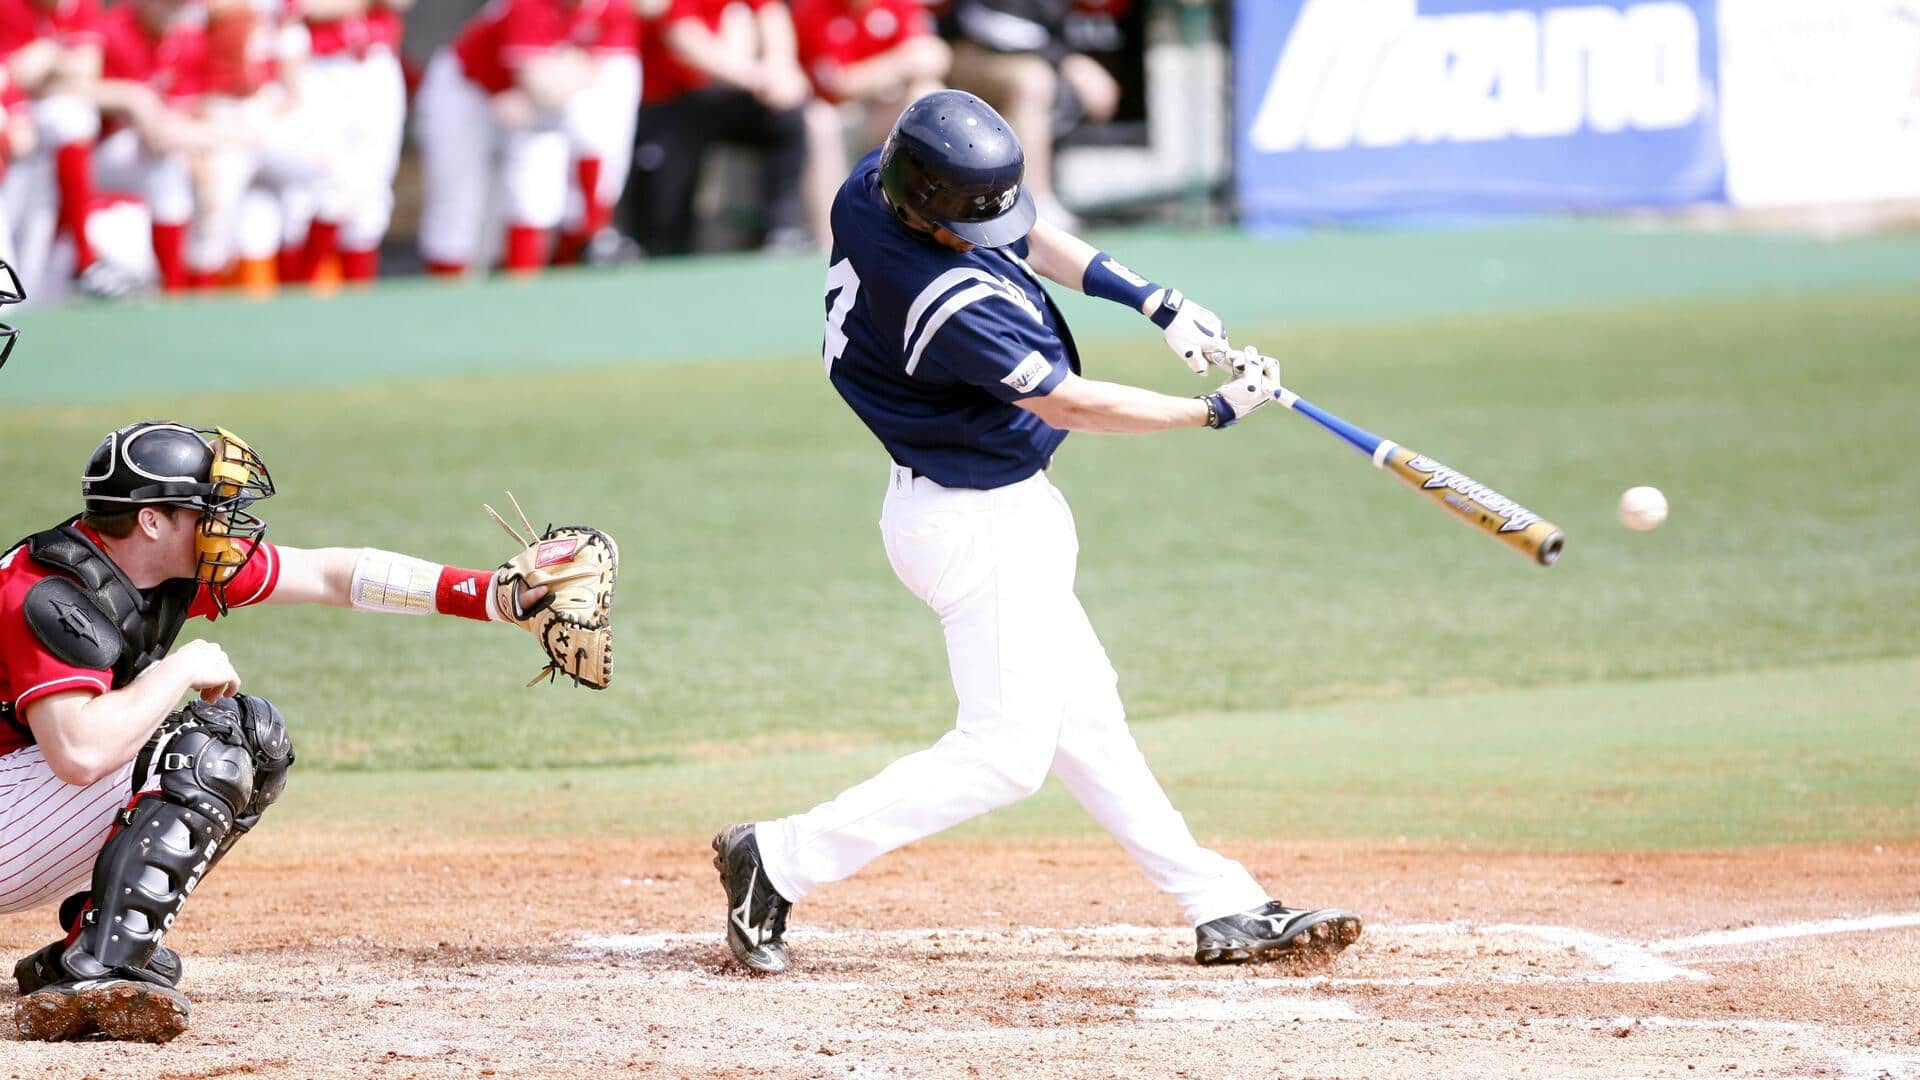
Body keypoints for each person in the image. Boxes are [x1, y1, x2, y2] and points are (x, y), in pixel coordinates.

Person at [712, 90, 1362, 975]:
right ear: (927, 208)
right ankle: (778, 859)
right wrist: (1209, 412)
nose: (993, 230)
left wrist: (1150, 298)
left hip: (982, 509)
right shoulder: (942, 299)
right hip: (974, 522)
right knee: (1005, 756)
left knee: (1087, 720)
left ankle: (1221, 904)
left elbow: (1023, 231)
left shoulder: (878, 187)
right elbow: (1066, 401)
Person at [4, 421, 616, 1042]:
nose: (224, 525)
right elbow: (78, 754)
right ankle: (97, 971)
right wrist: (180, 669)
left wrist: (493, 596)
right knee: (205, 752)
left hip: (20, 806)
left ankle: (93, 942)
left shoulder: (155, 567)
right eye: (206, 511)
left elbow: (332, 575)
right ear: (152, 522)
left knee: (253, 738)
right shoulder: (47, 595)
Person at [415, 0, 637, 276]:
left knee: (535, 198)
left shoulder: (611, 7)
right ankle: (445, 298)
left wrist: (548, 84)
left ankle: (521, 298)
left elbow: (593, 74)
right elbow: (540, 84)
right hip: (466, 92)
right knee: (458, 205)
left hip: (526, 103)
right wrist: (565, 72)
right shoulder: (529, 4)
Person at [624, 0, 812, 255]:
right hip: (670, 102)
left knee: (787, 115)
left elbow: (771, 13)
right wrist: (757, 77)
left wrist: (781, 65)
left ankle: (784, 229)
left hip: (731, 94)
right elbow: (684, 38)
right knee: (664, 225)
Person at [942, 0, 1120, 229]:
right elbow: (992, 26)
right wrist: (1067, 60)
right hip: (965, 50)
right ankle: (1034, 203)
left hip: (1035, 57)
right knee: (1033, 81)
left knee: (1088, 92)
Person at [789, 0, 948, 251]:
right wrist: (899, 63)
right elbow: (840, 84)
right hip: (839, 117)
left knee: (926, 93)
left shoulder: (896, 4)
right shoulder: (812, 8)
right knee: (819, 120)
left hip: (881, 110)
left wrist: (873, 74)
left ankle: (934, 222)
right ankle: (829, 241)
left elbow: (933, 56)